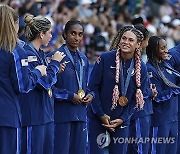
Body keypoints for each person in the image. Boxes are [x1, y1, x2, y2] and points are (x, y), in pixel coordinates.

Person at [87, 26, 149, 154]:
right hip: (98, 117)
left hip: (120, 121)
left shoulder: (141, 67)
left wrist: (123, 118)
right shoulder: (105, 58)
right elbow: (92, 88)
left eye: (131, 40)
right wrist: (101, 114)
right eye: (124, 38)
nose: (126, 42)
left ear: (138, 44)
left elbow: (136, 100)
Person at [0, 4, 47, 154]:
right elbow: (23, 86)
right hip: (7, 117)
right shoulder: (15, 50)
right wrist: (38, 71)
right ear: (14, 24)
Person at [19, 14, 65, 154]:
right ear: (41, 34)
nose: (51, 35)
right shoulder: (26, 54)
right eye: (49, 32)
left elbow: (49, 78)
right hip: (33, 116)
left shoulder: (41, 54)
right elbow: (45, 83)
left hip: (46, 115)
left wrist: (53, 68)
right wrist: (55, 64)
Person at [51, 20, 94, 154]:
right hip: (61, 115)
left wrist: (90, 95)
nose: (76, 37)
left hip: (80, 114)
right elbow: (49, 89)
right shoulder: (56, 56)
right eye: (73, 33)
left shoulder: (83, 59)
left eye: (80, 34)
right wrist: (69, 96)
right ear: (65, 34)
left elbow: (85, 85)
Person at [146, 36, 180, 154]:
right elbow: (157, 96)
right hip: (160, 119)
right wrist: (175, 90)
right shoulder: (149, 69)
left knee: (173, 151)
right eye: (162, 48)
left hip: (174, 118)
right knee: (158, 151)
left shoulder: (166, 65)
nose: (166, 50)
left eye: (166, 47)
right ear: (154, 50)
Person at [127, 24, 156, 154]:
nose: (148, 43)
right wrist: (151, 91)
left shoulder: (140, 60)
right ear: (142, 40)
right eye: (147, 40)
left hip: (144, 111)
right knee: (139, 148)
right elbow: (137, 91)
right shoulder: (134, 62)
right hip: (138, 112)